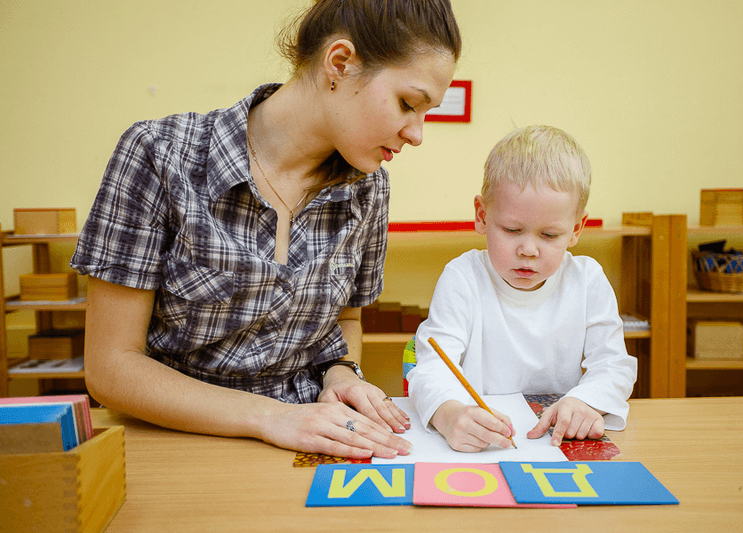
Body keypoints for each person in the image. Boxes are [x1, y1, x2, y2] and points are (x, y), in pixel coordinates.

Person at [70, 0, 461, 460]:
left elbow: (346, 319)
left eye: (426, 112)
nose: (417, 134)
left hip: (307, 443)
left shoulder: (368, 187)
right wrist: (271, 417)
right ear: (340, 63)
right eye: (407, 103)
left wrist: (341, 372)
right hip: (172, 445)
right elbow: (110, 368)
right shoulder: (159, 155)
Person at [407, 125, 637, 452]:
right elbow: (432, 368)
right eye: (513, 229)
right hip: (484, 447)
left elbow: (614, 366)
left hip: (556, 445)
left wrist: (586, 402)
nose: (528, 250)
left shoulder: (587, 280)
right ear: (482, 216)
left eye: (549, 235)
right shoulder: (463, 277)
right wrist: (450, 414)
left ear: (576, 229)